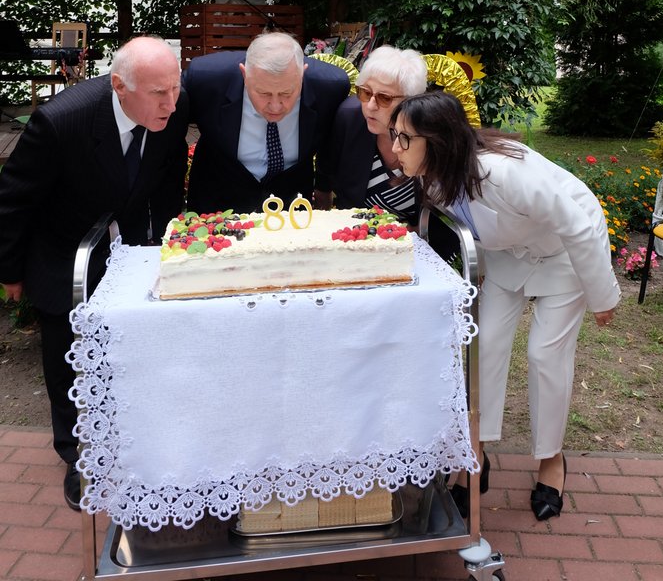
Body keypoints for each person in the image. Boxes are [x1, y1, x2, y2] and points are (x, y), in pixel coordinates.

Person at [389, 90, 620, 521]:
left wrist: (601, 295)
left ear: (436, 141)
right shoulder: (433, 174)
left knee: (545, 354)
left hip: (566, 250)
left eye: (404, 138)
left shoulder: (502, 172)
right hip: (510, 255)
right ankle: (475, 454)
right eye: (394, 134)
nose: (395, 147)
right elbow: (474, 223)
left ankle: (551, 460)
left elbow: (576, 225)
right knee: (486, 345)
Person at [0, 36, 189, 511]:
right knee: (66, 353)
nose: (171, 104)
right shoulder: (60, 122)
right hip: (61, 245)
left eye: (175, 88)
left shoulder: (171, 106)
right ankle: (78, 457)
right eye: (159, 93)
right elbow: (13, 200)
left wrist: (167, 247)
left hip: (128, 241)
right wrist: (10, 271)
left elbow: (166, 177)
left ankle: (134, 437)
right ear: (119, 86)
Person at [184, 30, 350, 213]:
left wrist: (323, 187)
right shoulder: (205, 79)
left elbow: (330, 139)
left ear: (302, 74)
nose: (276, 106)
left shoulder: (330, 87)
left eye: (287, 93)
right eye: (264, 93)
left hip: (291, 208)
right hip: (216, 203)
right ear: (244, 74)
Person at [321, 45, 427, 221]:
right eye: (365, 92)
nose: (370, 106)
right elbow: (325, 176)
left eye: (384, 98)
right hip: (354, 230)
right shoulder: (349, 118)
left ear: (411, 100)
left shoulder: (429, 130)